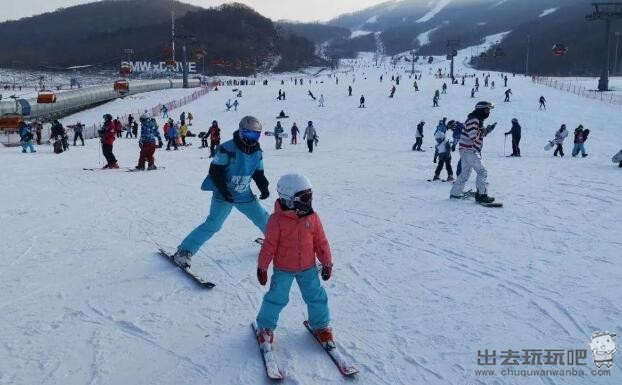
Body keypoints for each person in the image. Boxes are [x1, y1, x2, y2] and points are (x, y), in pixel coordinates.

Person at [172, 116, 271, 268]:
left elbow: (258, 172)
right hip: (223, 195)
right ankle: (184, 252)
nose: (251, 139)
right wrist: (224, 191)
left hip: (244, 194)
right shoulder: (227, 149)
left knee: (264, 219)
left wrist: (263, 187)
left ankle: (276, 244)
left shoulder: (257, 152)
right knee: (213, 224)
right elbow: (215, 172)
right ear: (240, 131)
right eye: (248, 134)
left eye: (255, 135)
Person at [255, 173, 335, 351]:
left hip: (308, 268)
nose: (309, 201)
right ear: (289, 199)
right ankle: (265, 327)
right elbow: (269, 246)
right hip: (284, 268)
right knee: (276, 298)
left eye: (310, 196)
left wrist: (327, 262)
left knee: (316, 297)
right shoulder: (276, 221)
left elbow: (321, 242)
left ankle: (321, 326)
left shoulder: (312, 217)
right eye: (305, 197)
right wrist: (262, 267)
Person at [449, 101, 497, 203]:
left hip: (467, 150)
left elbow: (476, 134)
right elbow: (473, 136)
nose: (488, 112)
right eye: (487, 109)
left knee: (464, 174)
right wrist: (484, 131)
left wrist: (486, 131)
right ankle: (481, 195)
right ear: (481, 110)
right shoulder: (474, 120)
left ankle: (455, 193)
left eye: (489, 110)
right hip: (469, 150)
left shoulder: (476, 120)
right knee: (482, 171)